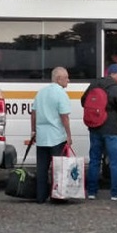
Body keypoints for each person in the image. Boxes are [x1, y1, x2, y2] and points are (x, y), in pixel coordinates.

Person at [82, 64, 117, 200]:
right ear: (113, 74)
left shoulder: (94, 84)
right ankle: (116, 193)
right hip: (113, 130)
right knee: (116, 161)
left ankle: (91, 192)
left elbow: (83, 101)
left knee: (95, 160)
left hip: (95, 127)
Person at [31, 67, 73, 204]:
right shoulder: (61, 94)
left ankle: (40, 196)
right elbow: (64, 116)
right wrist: (68, 135)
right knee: (58, 168)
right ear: (58, 79)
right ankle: (57, 196)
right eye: (66, 77)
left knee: (42, 168)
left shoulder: (41, 93)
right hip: (56, 137)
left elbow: (34, 114)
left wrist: (33, 131)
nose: (68, 80)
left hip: (42, 136)